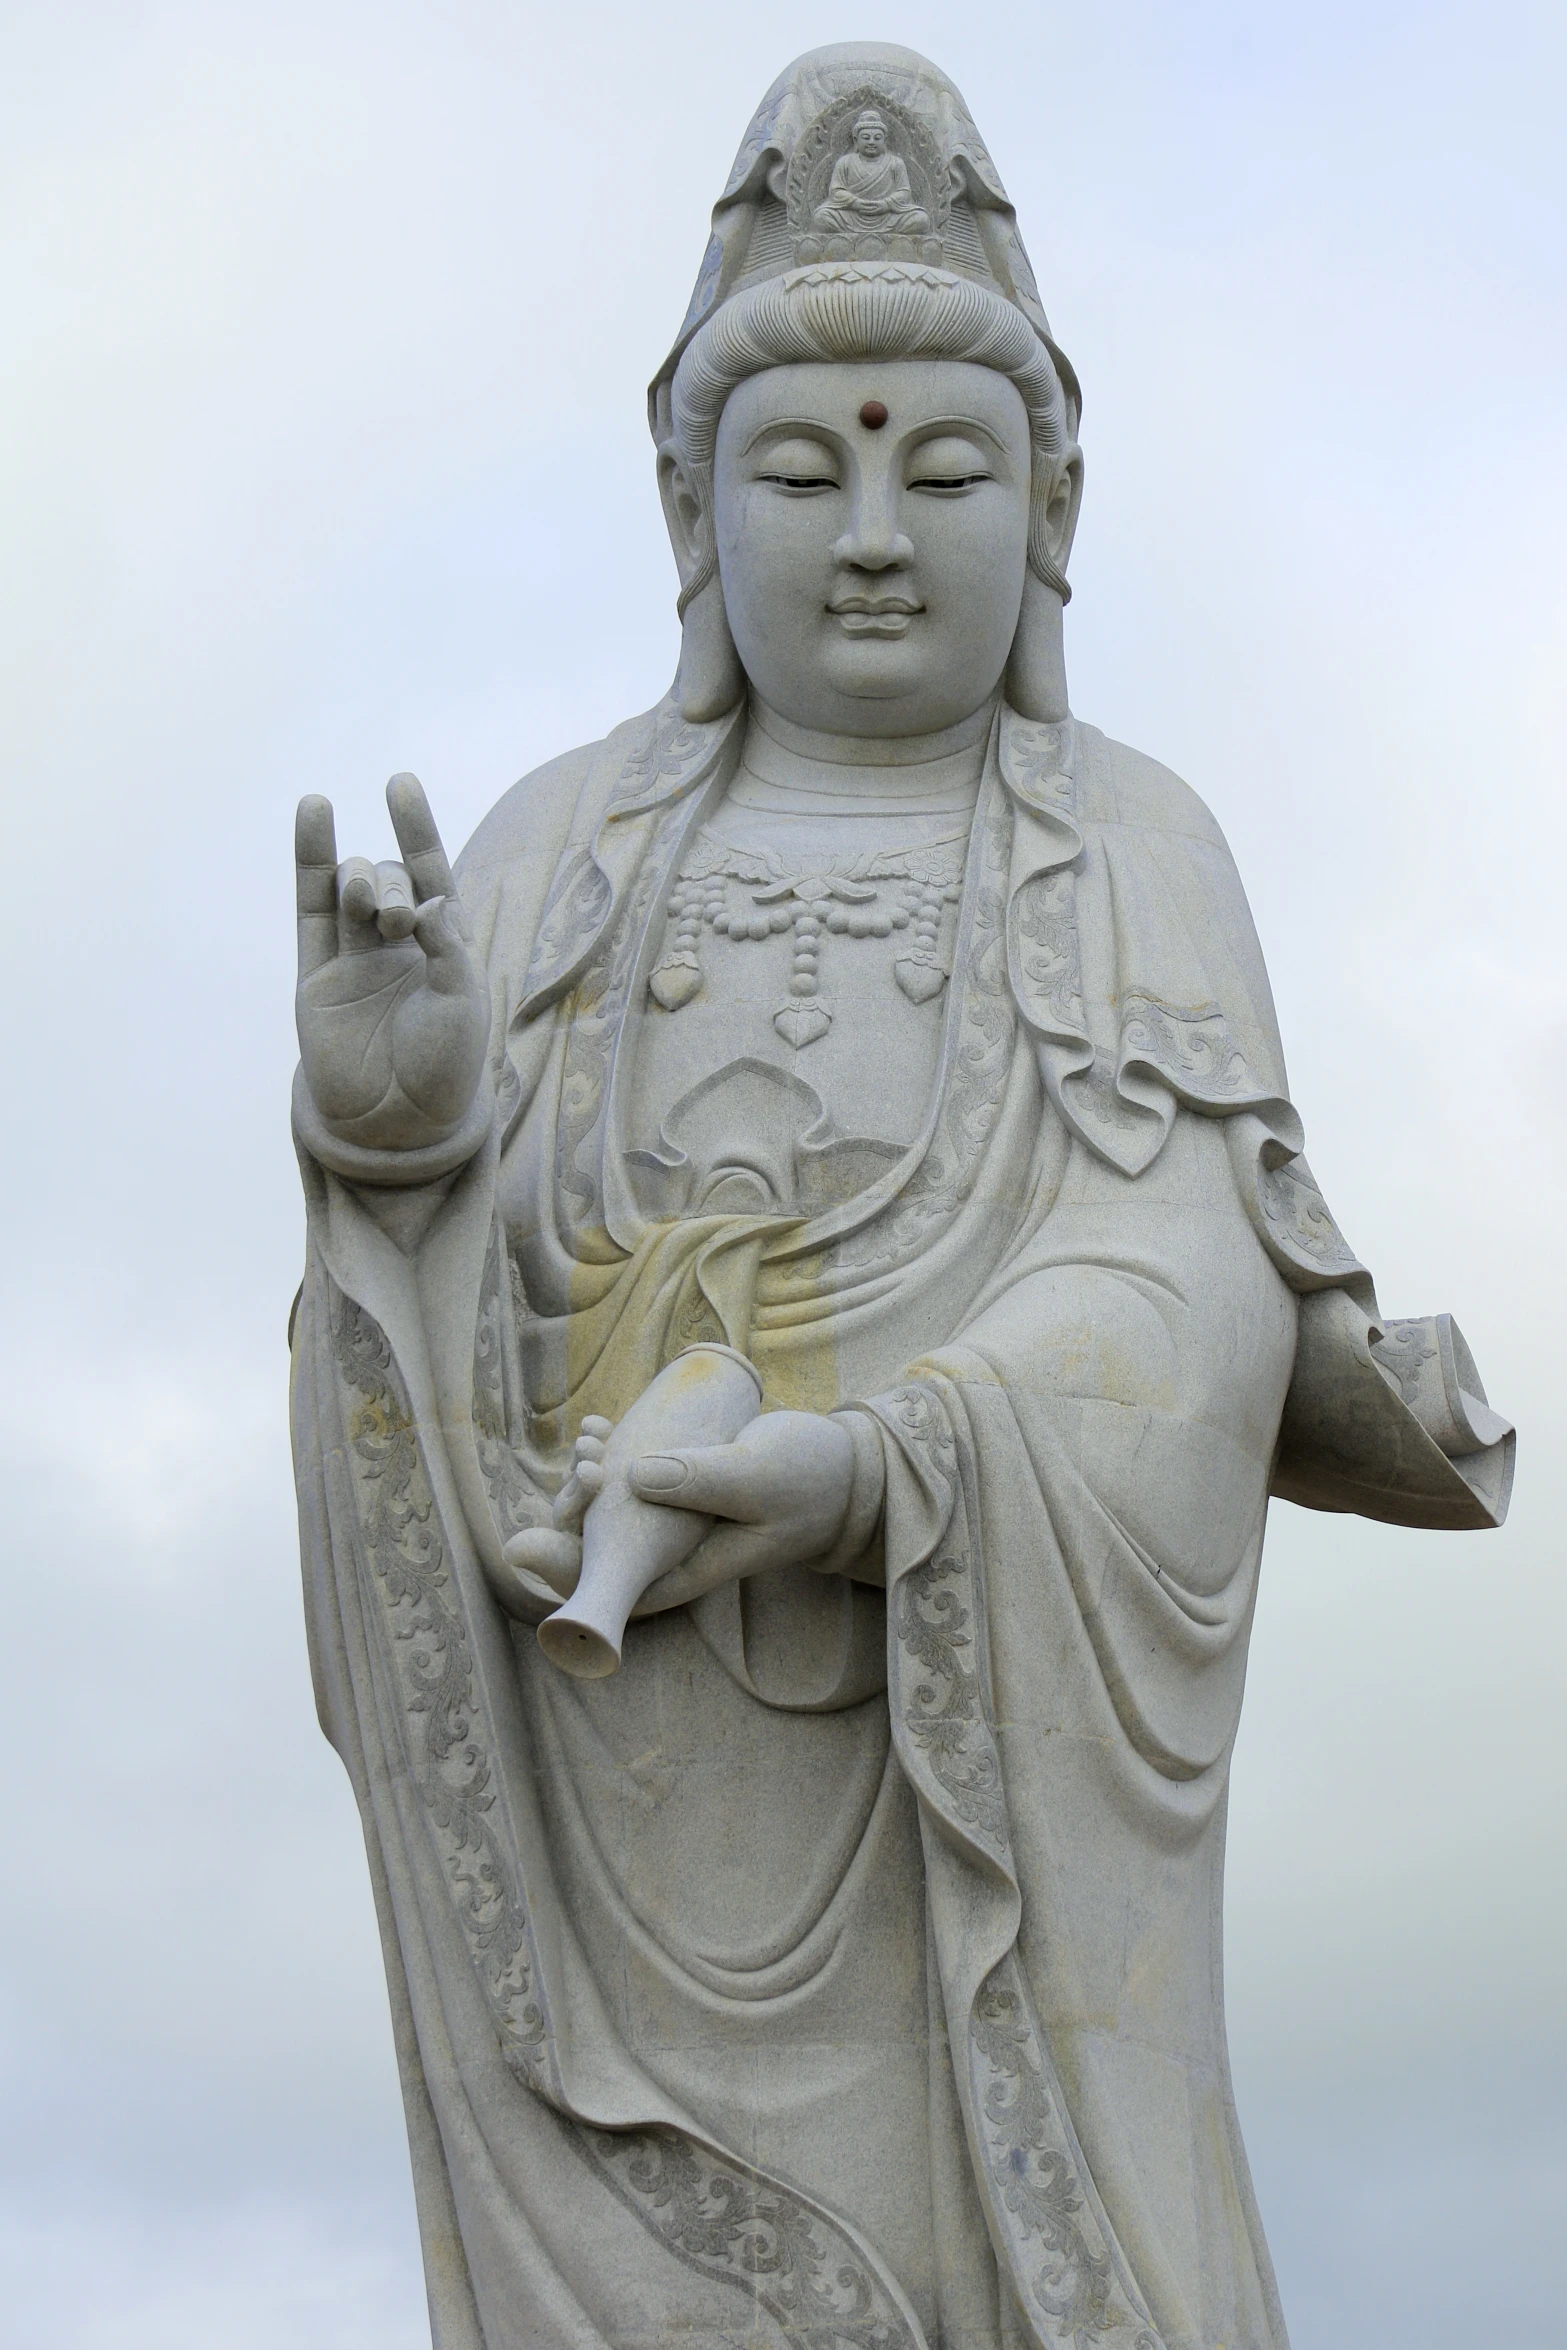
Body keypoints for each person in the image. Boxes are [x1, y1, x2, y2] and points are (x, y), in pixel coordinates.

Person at [290, 42, 1512, 2350]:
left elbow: (1182, 1298)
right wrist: (392, 1136)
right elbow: (432, 1332)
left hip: (972, 1841)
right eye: (798, 469)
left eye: (943, 466)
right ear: (690, 514)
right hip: (609, 1794)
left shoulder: (1124, 847)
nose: (870, 531)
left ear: (1042, 507)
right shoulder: (556, 850)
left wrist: (870, 1462)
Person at [812, 108, 932, 238]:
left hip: (888, 216)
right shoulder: (845, 162)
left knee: (922, 220)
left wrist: (886, 204)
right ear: (855, 139)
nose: (871, 142)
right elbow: (835, 191)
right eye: (866, 137)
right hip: (852, 216)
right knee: (821, 217)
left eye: (877, 138)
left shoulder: (895, 163)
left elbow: (904, 192)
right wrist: (855, 203)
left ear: (885, 140)